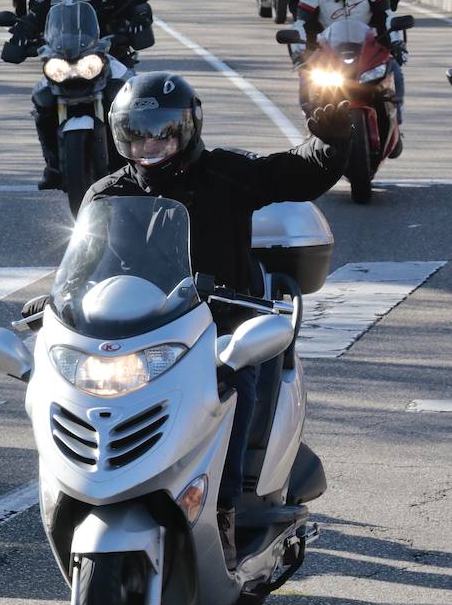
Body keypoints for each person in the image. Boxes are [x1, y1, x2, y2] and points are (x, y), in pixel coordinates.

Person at [78, 72, 350, 568]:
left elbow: (297, 173)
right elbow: (84, 262)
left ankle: (224, 509)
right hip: (141, 329)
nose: (150, 142)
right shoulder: (106, 193)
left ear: (186, 130)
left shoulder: (227, 173)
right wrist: (53, 301)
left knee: (230, 390)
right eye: (137, 132)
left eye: (162, 131)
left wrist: (329, 143)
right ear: (120, 135)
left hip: (224, 324)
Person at [11, 0, 153, 186]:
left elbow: (134, 2)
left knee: (130, 98)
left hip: (110, 54)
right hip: (65, 57)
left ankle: (138, 160)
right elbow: (35, 14)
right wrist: (21, 33)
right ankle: (53, 165)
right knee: (42, 99)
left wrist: (140, 18)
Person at [293, 0, 404, 124]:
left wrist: (397, 43)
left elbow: (387, 14)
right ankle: (310, 120)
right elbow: (300, 23)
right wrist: (299, 53)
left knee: (395, 69)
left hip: (369, 41)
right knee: (307, 76)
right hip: (327, 45)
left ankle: (396, 117)